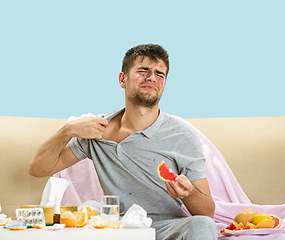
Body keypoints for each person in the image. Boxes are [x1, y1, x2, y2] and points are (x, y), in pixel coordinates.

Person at [29, 43, 218, 239]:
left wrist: (188, 194)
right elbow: (37, 169)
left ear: (164, 85)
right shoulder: (97, 131)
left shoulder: (183, 135)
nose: (152, 77)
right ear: (122, 79)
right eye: (143, 70)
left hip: (166, 228)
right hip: (118, 230)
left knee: (203, 224)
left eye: (159, 74)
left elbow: (207, 212)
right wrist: (67, 131)